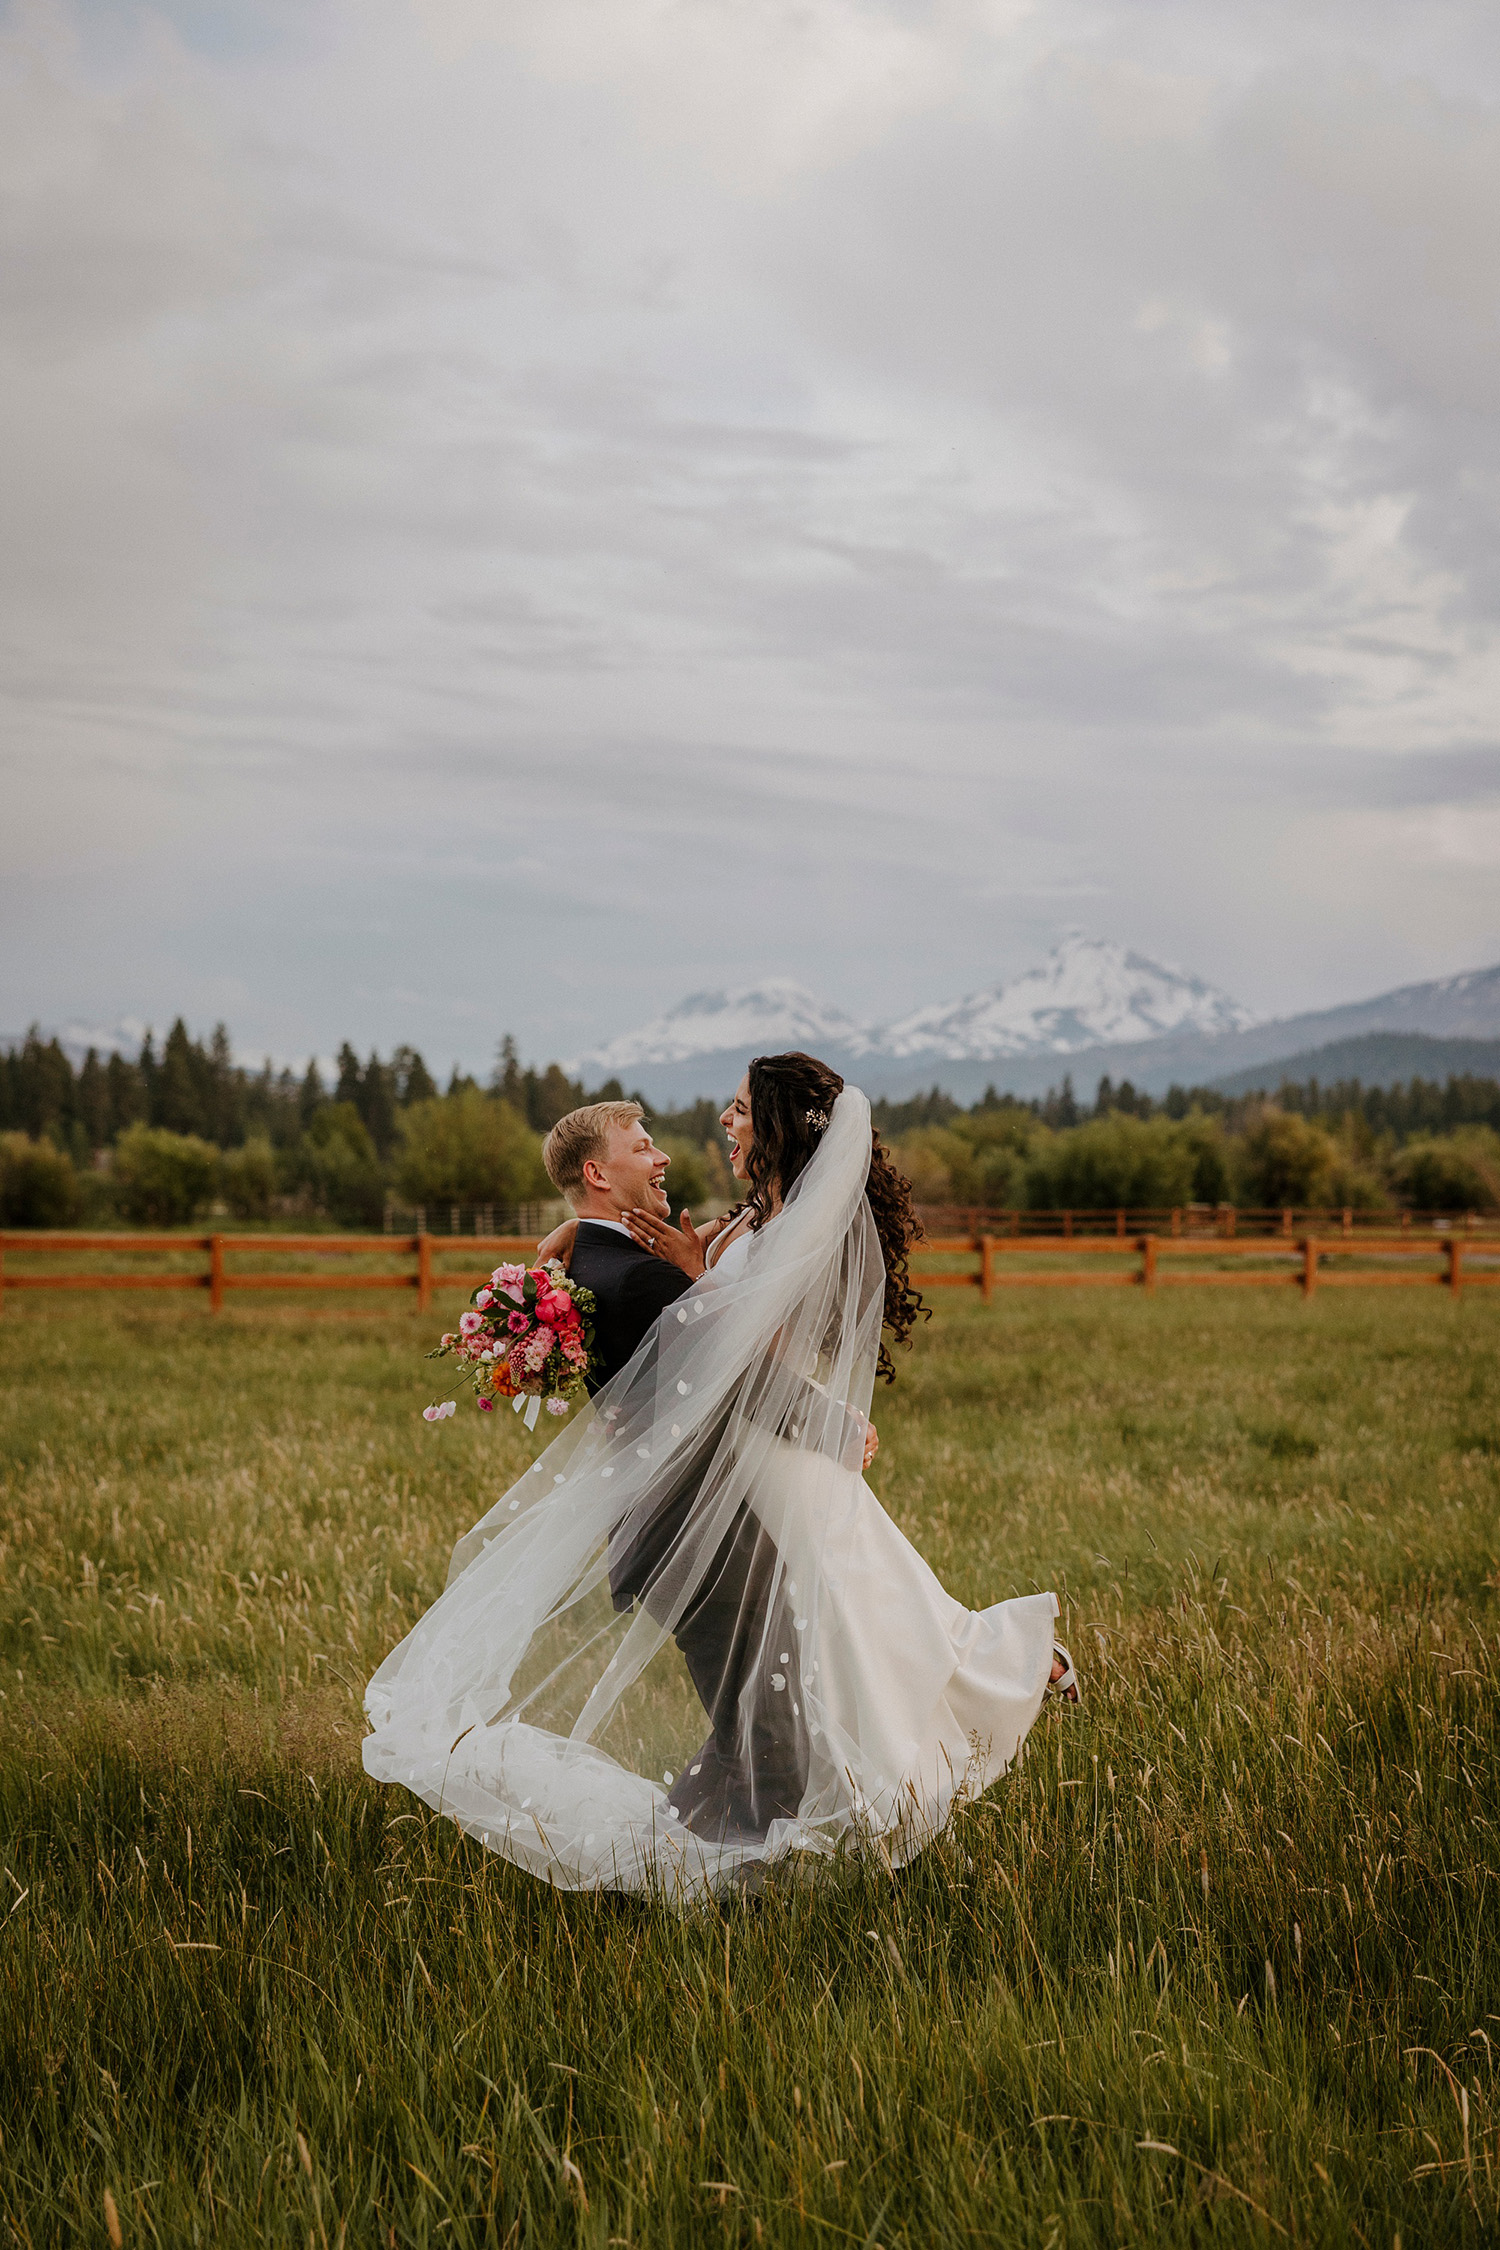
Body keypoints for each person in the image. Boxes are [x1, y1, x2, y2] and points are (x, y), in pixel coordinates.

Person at [362, 1053, 1075, 1898]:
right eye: (645, 1142)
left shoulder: (762, 1232)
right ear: (600, 1172)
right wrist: (816, 1407)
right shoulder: (706, 1239)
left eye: (738, 1111)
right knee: (834, 1627)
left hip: (747, 1465)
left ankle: (769, 1828)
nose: (703, 1134)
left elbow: (733, 1339)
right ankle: (763, 1845)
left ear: (774, 1127)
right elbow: (715, 1357)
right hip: (731, 1470)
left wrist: (613, 1247)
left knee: (852, 1610)